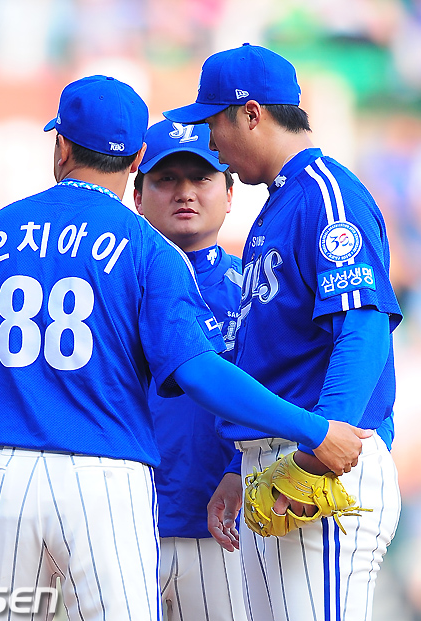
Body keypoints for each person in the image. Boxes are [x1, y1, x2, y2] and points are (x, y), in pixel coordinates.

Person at [0, 74, 368, 621]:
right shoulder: (147, 248)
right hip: (105, 478)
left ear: (62, 147)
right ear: (138, 160)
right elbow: (197, 371)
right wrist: (313, 428)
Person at [163, 43, 403, 621]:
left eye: (213, 122)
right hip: (275, 461)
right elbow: (275, 353)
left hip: (320, 459)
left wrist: (324, 448)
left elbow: (363, 324)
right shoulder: (278, 205)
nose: (211, 141)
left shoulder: (326, 192)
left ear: (251, 114)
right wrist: (234, 467)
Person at [134, 118, 247, 621]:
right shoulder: (112, 286)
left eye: (201, 177)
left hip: (227, 529)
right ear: (138, 196)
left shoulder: (257, 290)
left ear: (230, 194)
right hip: (121, 525)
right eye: (166, 179)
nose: (185, 192)